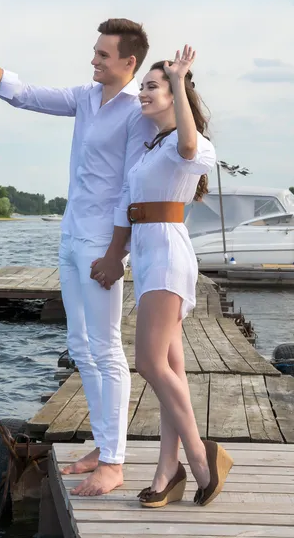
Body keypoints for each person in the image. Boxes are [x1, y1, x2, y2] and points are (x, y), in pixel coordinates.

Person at [0, 3, 156, 496]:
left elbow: (133, 189)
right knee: (80, 348)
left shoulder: (137, 112)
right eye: (94, 51)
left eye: (102, 54)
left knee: (107, 349)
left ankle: (113, 460)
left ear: (128, 62)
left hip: (102, 242)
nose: (93, 60)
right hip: (71, 236)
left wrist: (117, 253)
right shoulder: (86, 98)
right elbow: (21, 93)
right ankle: (101, 442)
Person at [91, 45, 233, 507]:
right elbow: (126, 210)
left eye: (152, 87)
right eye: (146, 88)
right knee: (171, 368)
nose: (144, 94)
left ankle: (200, 456)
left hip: (169, 254)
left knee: (151, 363)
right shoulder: (149, 149)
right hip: (148, 255)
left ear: (176, 96)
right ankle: (166, 473)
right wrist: (117, 255)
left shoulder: (186, 144)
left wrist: (177, 78)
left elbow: (189, 145)